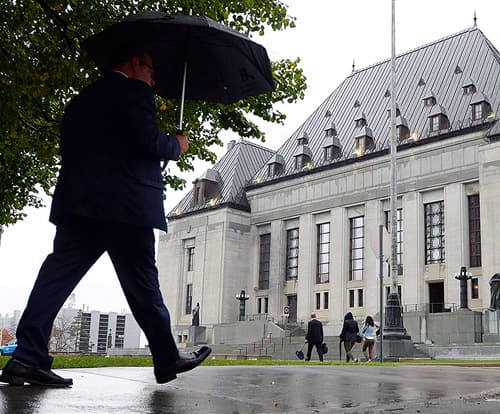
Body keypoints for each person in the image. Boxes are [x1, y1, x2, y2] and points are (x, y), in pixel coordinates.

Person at [0, 47, 211, 387]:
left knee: (55, 279)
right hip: (127, 207)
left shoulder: (80, 100)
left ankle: (26, 356)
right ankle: (167, 356)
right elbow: (148, 140)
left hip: (78, 205)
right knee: (143, 285)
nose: (153, 78)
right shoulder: (135, 92)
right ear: (133, 62)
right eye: (151, 69)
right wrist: (176, 145)